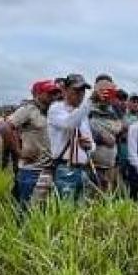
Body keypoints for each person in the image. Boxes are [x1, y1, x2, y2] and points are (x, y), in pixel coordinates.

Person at [6, 80, 61, 208]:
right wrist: (18, 152)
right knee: (26, 210)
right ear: (38, 94)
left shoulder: (52, 112)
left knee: (44, 210)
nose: (53, 97)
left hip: (49, 169)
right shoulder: (28, 110)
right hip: (32, 170)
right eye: (49, 93)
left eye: (54, 94)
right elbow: (5, 127)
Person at [48, 74, 96, 202]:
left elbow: (92, 143)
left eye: (83, 91)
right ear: (65, 90)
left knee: (80, 214)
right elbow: (69, 123)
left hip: (82, 170)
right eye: (76, 90)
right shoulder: (56, 109)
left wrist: (89, 146)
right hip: (65, 168)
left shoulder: (83, 114)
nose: (80, 94)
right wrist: (90, 102)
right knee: (65, 210)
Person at [89, 78, 126, 194]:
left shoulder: (114, 110)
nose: (108, 95)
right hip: (92, 166)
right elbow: (82, 128)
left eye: (111, 92)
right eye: (105, 91)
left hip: (110, 166)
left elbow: (120, 127)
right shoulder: (87, 107)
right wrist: (101, 135)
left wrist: (108, 130)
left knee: (106, 199)